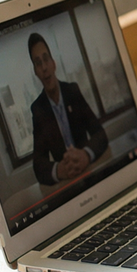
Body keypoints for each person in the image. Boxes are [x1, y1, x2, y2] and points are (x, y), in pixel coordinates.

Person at [27, 32, 108, 186]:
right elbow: (38, 164)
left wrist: (85, 155)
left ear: (53, 63)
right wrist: (59, 170)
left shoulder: (72, 91)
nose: (44, 67)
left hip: (90, 174)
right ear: (36, 72)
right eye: (38, 63)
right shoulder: (38, 109)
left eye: (46, 59)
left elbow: (100, 134)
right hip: (68, 185)